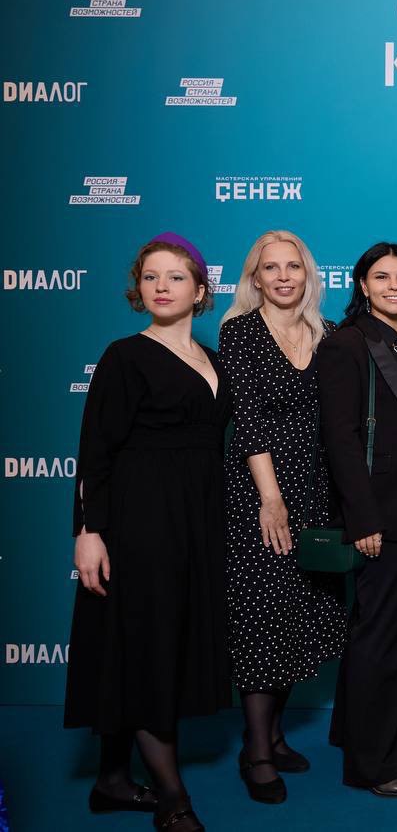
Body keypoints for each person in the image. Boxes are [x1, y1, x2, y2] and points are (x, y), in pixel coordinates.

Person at [66, 233, 231, 832]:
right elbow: (96, 451)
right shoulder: (124, 356)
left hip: (197, 520)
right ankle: (172, 799)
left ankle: (112, 780)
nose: (162, 286)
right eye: (151, 277)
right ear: (138, 289)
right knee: (145, 644)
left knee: (147, 640)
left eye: (176, 277)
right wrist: (89, 531)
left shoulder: (213, 360)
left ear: (200, 290)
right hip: (140, 520)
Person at [219, 230, 347, 803]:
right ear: (256, 278)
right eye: (270, 268)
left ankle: (272, 735)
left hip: (316, 493)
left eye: (292, 266)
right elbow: (248, 420)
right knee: (261, 616)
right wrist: (271, 499)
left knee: (301, 615)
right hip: (260, 494)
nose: (283, 277)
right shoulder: (240, 332)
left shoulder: (329, 334)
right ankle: (257, 752)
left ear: (307, 273)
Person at [317, 242, 397, 797]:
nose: (395, 286)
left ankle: (357, 732)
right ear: (362, 285)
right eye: (382, 277)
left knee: (375, 630)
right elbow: (340, 440)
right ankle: (376, 766)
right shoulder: (347, 344)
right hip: (380, 515)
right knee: (382, 639)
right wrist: (362, 518)